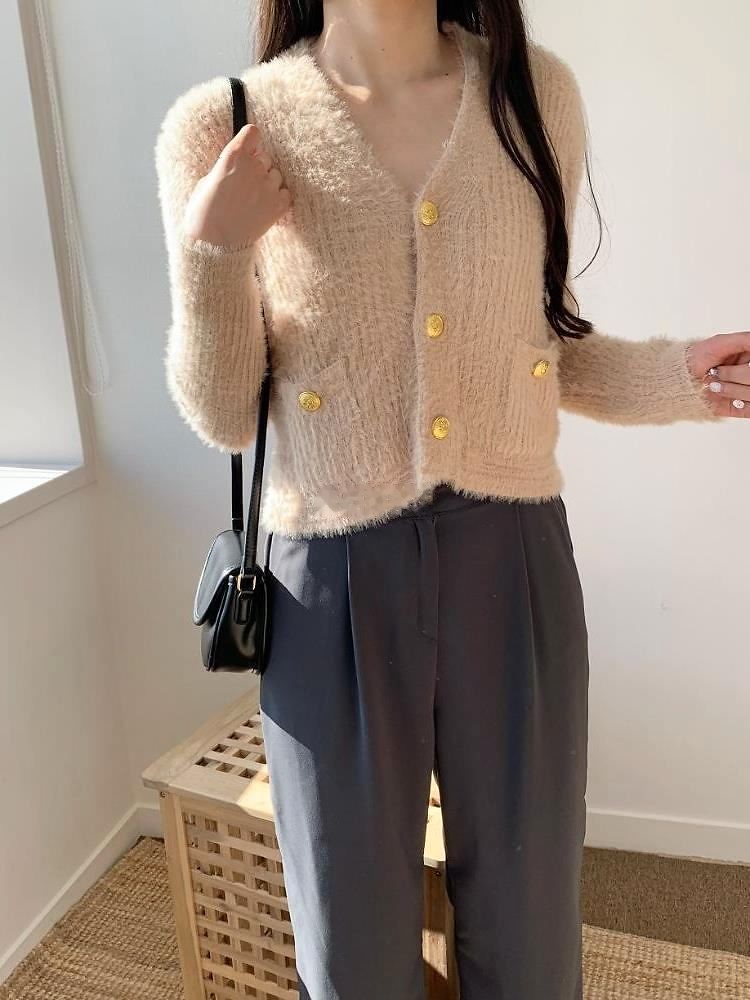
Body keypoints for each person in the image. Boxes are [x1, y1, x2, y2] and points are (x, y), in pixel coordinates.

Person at [154, 3, 749, 998]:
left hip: (512, 560)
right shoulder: (224, 123)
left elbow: (542, 347)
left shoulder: (534, 97)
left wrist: (681, 376)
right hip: (328, 585)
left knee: (530, 926)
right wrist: (211, 252)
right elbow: (223, 415)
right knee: (351, 947)